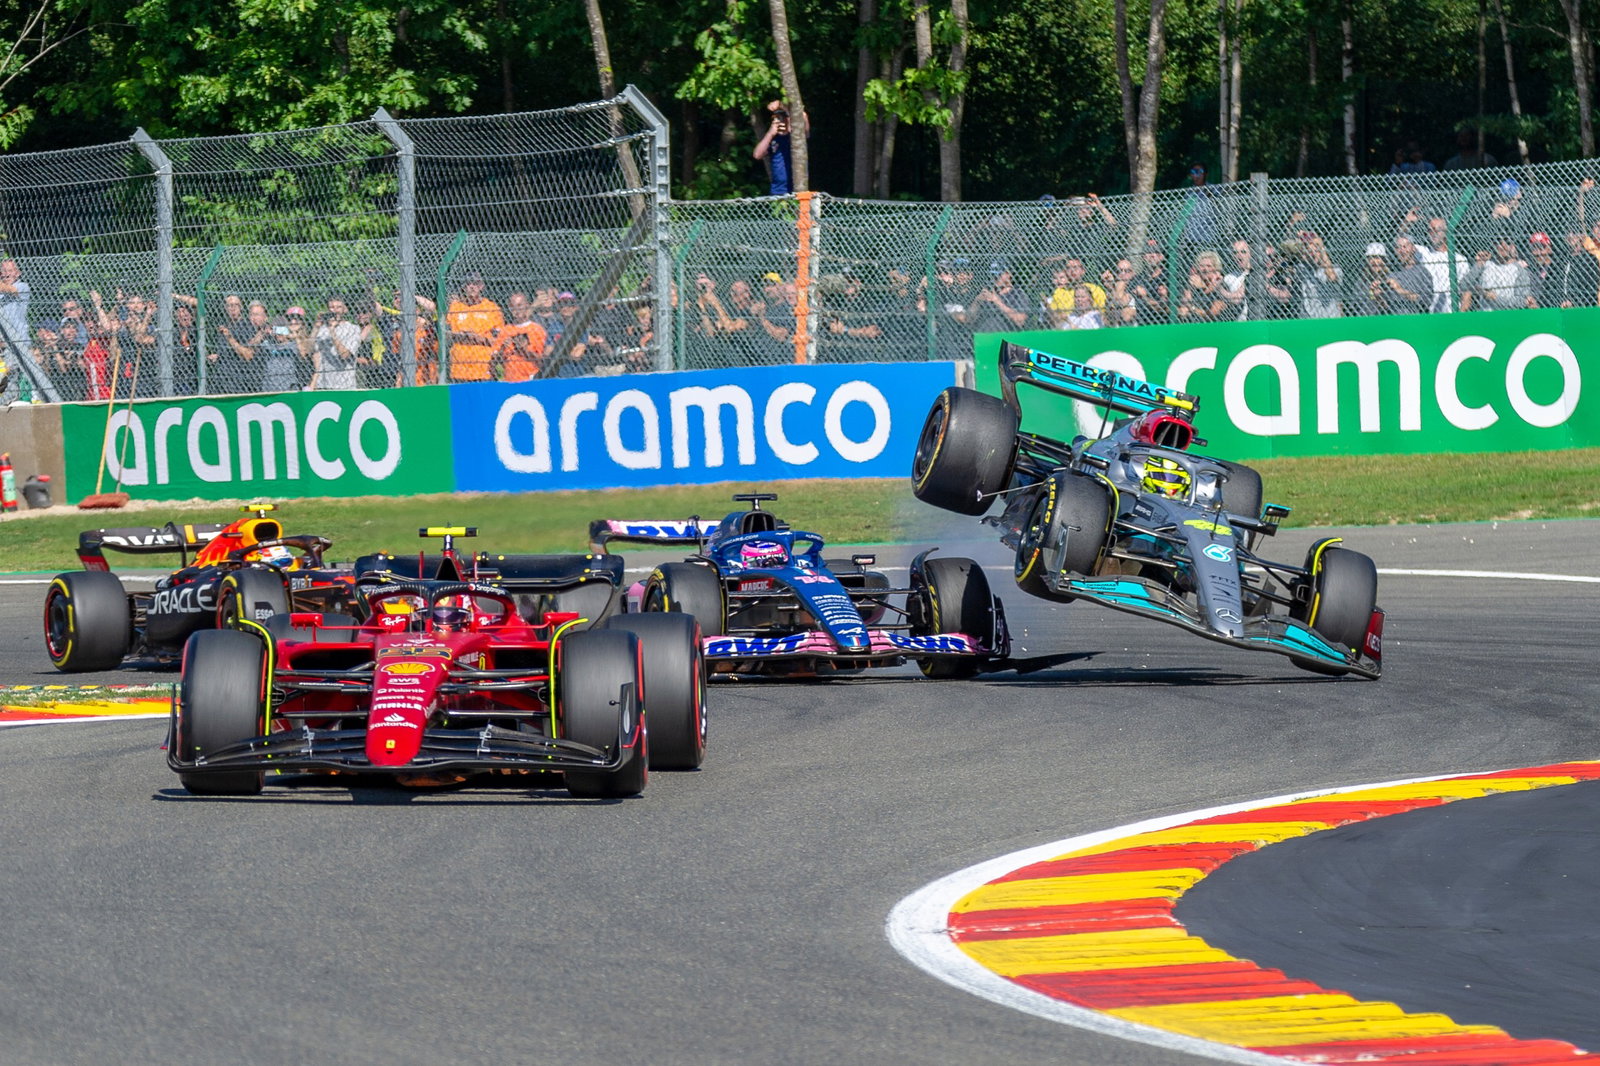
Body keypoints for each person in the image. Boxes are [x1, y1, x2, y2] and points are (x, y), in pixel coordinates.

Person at [418, 274, 503, 382]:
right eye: (468, 283)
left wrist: (477, 338)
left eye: (476, 283)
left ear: (482, 286)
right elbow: (445, 333)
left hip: (483, 369)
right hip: (458, 369)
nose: (472, 286)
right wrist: (461, 335)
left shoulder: (492, 308)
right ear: (464, 287)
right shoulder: (456, 307)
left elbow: (500, 340)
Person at [1463, 235, 1534, 311]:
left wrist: (1495, 298)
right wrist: (1478, 265)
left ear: (1513, 247)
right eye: (1499, 242)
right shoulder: (1486, 265)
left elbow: (1523, 301)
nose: (1502, 245)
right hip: (1485, 317)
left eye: (1507, 242)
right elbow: (1464, 285)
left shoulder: (1520, 270)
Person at [753, 99, 808, 196]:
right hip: (778, 191)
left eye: (783, 117)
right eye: (777, 117)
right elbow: (757, 154)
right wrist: (771, 133)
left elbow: (803, 117)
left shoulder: (796, 137)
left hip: (796, 189)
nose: (780, 120)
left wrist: (782, 105)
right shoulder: (774, 139)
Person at [491, 291, 548, 382]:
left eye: (520, 305)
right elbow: (495, 359)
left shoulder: (536, 329)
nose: (516, 310)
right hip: (510, 379)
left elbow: (541, 360)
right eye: (513, 307)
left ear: (527, 306)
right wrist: (502, 348)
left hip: (531, 378)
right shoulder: (506, 330)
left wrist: (524, 349)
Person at [310, 297, 362, 390]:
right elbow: (309, 351)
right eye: (332, 307)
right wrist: (316, 327)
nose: (335, 311)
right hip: (323, 384)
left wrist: (332, 331)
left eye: (338, 307)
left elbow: (345, 355)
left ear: (345, 309)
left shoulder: (353, 329)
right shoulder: (322, 329)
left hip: (344, 385)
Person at [0, 259, 32, 402]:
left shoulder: (22, 287)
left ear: (18, 273)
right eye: (3, 271)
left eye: (10, 271)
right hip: (4, 344)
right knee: (10, 382)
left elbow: (9, 289)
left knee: (8, 372)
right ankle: (7, 401)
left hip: (18, 342)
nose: (6, 274)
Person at [968, 262, 1030, 332]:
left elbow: (1020, 320)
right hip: (983, 339)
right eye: (993, 275)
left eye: (999, 275)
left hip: (1006, 339)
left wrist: (997, 301)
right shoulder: (987, 292)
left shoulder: (1018, 293)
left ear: (1008, 274)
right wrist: (977, 301)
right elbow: (969, 320)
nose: (995, 278)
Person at [1176, 251, 1228, 322]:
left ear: (1215, 268)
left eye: (1209, 266)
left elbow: (1213, 313)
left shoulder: (1221, 285)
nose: (1205, 269)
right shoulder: (1192, 284)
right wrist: (1190, 287)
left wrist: (1192, 309)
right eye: (1202, 266)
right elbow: (1183, 305)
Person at [1388, 236, 1437, 313]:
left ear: (1414, 249)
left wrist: (1401, 291)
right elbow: (1387, 303)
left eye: (1405, 246)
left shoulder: (1422, 273)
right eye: (1398, 247)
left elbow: (1426, 301)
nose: (1401, 250)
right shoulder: (1392, 274)